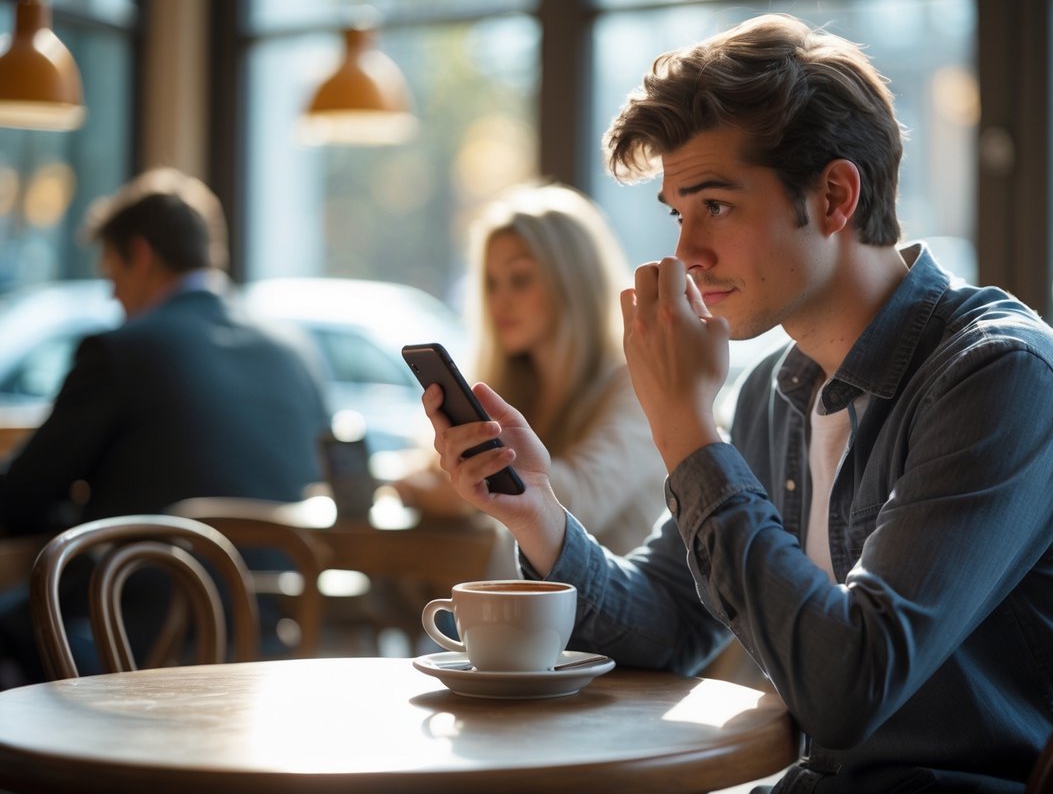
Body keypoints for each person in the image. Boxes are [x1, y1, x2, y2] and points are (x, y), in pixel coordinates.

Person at [419, 14, 1053, 792]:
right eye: (676, 213)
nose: (686, 252)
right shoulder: (775, 391)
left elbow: (844, 692)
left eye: (715, 206)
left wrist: (685, 428)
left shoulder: (1000, 378)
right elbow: (661, 626)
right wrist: (535, 508)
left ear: (833, 196)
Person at [0, 167, 332, 683]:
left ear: (141, 254)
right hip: (275, 650)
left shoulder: (120, 352)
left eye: (112, 276)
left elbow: (19, 498)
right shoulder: (296, 351)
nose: (113, 298)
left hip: (141, 652)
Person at [396, 181, 666, 555]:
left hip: (611, 605)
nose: (499, 301)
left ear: (572, 281)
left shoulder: (636, 384)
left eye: (519, 279)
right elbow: (425, 469)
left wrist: (462, 493)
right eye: (491, 283)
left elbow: (577, 501)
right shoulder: (510, 383)